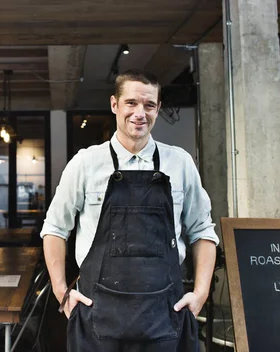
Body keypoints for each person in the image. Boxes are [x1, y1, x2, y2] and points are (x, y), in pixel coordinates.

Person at [40, 69, 219, 351]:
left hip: (165, 314)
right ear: (115, 105)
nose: (140, 113)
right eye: (131, 103)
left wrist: (200, 293)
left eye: (149, 105)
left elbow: (202, 231)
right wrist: (61, 292)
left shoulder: (180, 163)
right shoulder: (86, 163)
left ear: (158, 109)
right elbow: (54, 229)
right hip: (98, 315)